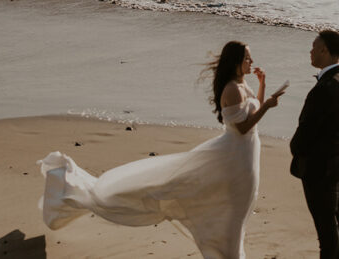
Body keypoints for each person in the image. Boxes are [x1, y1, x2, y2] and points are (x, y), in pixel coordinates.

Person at [39, 41, 285, 259]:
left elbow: (254, 111)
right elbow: (242, 128)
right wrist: (268, 106)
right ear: (235, 61)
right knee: (228, 207)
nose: (251, 61)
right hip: (232, 156)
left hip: (246, 156)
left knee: (240, 206)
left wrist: (263, 86)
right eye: (247, 58)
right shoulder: (231, 89)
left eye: (250, 57)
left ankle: (229, 251)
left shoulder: (243, 83)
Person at [289, 31, 339, 259]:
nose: (310, 51)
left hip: (321, 167)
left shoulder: (324, 89)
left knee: (326, 227)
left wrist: (295, 148)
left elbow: (306, 130)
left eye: (313, 46)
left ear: (324, 51)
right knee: (337, 218)